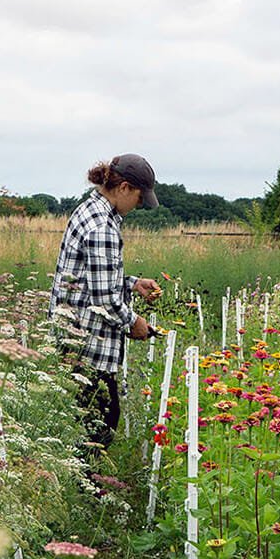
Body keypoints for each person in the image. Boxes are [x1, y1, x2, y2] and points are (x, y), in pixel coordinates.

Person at [51, 153, 162, 449]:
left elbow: (93, 279)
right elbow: (104, 299)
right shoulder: (103, 227)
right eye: (139, 198)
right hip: (89, 345)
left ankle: (84, 490)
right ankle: (87, 494)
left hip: (76, 339)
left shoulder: (91, 210)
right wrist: (134, 322)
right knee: (98, 428)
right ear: (124, 187)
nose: (138, 206)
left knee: (89, 425)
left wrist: (133, 283)